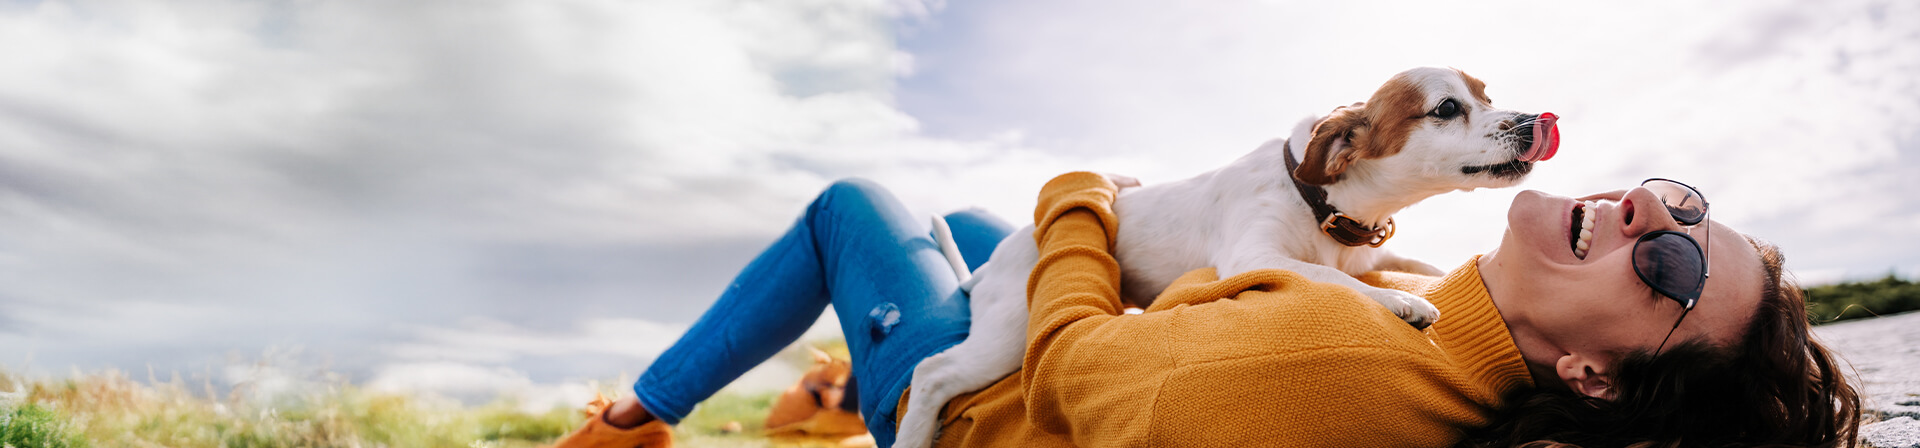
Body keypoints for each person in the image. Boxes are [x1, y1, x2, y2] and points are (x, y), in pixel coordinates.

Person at [549, 172, 1860, 448]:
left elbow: (1077, 366)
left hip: (971, 417)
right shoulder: (1429, 345)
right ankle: (829, 393)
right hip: (1082, 371)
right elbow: (1277, 291)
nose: (1648, 223)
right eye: (1680, 211)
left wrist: (1079, 199)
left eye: (1674, 275)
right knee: (958, 232)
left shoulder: (1317, 358)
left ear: (1593, 378)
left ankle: (637, 420)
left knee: (856, 208)